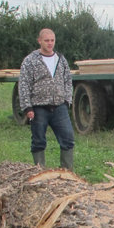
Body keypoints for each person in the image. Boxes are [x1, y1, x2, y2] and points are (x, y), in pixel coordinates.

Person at [18, 28, 75, 170]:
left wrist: (67, 100)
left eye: (52, 40)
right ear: (39, 41)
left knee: (68, 138)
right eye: (47, 40)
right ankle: (40, 171)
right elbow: (24, 84)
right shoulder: (30, 60)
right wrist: (27, 107)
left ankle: (67, 172)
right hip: (39, 107)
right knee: (38, 141)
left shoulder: (60, 59)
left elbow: (68, 80)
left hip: (59, 106)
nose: (50, 43)